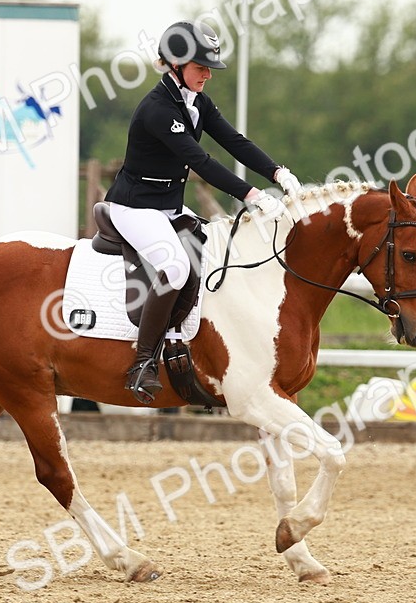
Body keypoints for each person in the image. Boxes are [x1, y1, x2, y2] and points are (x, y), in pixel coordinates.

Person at [103, 20, 302, 403]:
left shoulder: (196, 102)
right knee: (176, 266)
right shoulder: (158, 110)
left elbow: (234, 141)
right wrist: (252, 194)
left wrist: (278, 171)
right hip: (133, 207)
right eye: (200, 67)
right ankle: (143, 361)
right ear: (175, 66)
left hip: (167, 206)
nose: (208, 74)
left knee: (212, 252)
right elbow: (202, 161)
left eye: (209, 67)